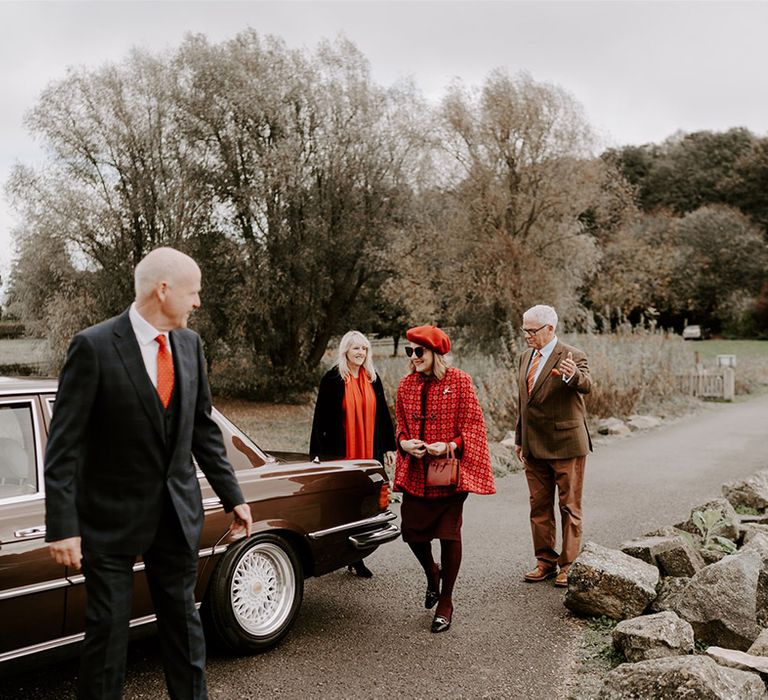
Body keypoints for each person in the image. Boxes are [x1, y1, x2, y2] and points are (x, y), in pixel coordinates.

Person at [44, 247, 253, 700]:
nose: (198, 302)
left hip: (177, 518)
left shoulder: (190, 345)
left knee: (185, 631)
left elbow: (202, 429)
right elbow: (64, 447)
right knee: (107, 638)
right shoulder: (93, 346)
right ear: (164, 290)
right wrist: (63, 526)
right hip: (109, 523)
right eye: (193, 292)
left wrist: (232, 494)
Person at [394, 325, 495, 633]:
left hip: (448, 474)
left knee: (449, 534)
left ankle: (446, 601)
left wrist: (449, 445)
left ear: (436, 353)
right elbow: (399, 424)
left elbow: (474, 427)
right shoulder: (405, 385)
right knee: (412, 532)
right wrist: (404, 443)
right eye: (409, 351)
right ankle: (432, 574)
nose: (413, 357)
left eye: (419, 351)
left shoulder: (461, 381)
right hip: (416, 472)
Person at [514, 304, 592, 588]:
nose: (526, 335)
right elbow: (524, 402)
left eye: (531, 330)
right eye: (524, 329)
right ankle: (545, 561)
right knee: (539, 507)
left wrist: (572, 376)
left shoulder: (573, 356)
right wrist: (519, 438)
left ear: (550, 329)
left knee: (570, 507)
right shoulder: (525, 358)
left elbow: (587, 385)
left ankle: (568, 565)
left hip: (566, 444)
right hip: (533, 446)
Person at [310, 330, 396, 577]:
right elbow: (321, 420)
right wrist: (316, 454)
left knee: (366, 504)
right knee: (341, 506)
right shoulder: (333, 379)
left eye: (365, 349)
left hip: (369, 452)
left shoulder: (372, 378)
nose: (361, 353)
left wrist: (389, 446)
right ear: (345, 350)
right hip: (342, 453)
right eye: (356, 348)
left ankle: (357, 557)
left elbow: (383, 416)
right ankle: (334, 554)